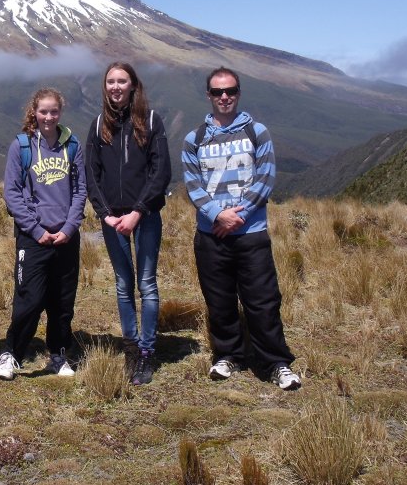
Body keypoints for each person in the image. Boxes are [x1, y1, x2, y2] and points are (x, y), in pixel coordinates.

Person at [182, 67, 301, 391]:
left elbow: (266, 177)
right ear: (208, 95)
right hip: (211, 235)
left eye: (230, 91)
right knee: (219, 300)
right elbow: (193, 184)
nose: (224, 97)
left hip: (251, 234)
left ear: (238, 93)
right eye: (218, 92)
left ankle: (276, 362)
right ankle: (229, 354)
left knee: (262, 301)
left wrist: (238, 215)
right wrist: (218, 216)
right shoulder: (195, 139)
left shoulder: (256, 132)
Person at [85, 61, 172, 385]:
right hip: (112, 218)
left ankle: (147, 352)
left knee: (146, 283)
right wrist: (105, 213)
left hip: (145, 216)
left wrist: (136, 211)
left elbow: (160, 171)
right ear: (105, 86)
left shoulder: (150, 121)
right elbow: (91, 174)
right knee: (124, 285)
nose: (116, 87)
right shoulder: (98, 126)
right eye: (111, 81)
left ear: (133, 85)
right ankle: (131, 348)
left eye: (122, 81)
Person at [0, 88, 87, 381]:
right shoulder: (21, 147)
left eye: (54, 111)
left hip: (65, 238)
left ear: (60, 112)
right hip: (32, 238)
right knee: (29, 299)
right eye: (43, 111)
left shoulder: (72, 145)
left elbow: (79, 190)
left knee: (62, 301)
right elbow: (11, 193)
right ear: (34, 112)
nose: (48, 117)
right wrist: (36, 230)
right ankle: (12, 354)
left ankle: (58, 355)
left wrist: (69, 228)